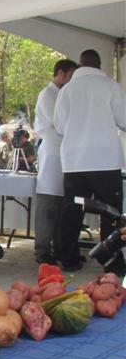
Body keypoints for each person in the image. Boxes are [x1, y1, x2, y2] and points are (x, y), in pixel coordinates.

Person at [54, 49, 126, 274]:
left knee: (72, 210)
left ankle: (69, 258)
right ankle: (111, 262)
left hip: (75, 161)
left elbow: (59, 126)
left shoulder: (66, 91)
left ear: (80, 65)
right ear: (99, 65)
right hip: (105, 160)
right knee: (110, 213)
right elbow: (124, 120)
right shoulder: (111, 86)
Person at [33, 59, 78, 264]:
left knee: (62, 208)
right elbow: (58, 124)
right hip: (52, 154)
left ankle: (60, 248)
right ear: (60, 73)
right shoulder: (47, 95)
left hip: (65, 154)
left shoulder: (63, 94)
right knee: (48, 208)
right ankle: (42, 251)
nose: (71, 81)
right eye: (70, 76)